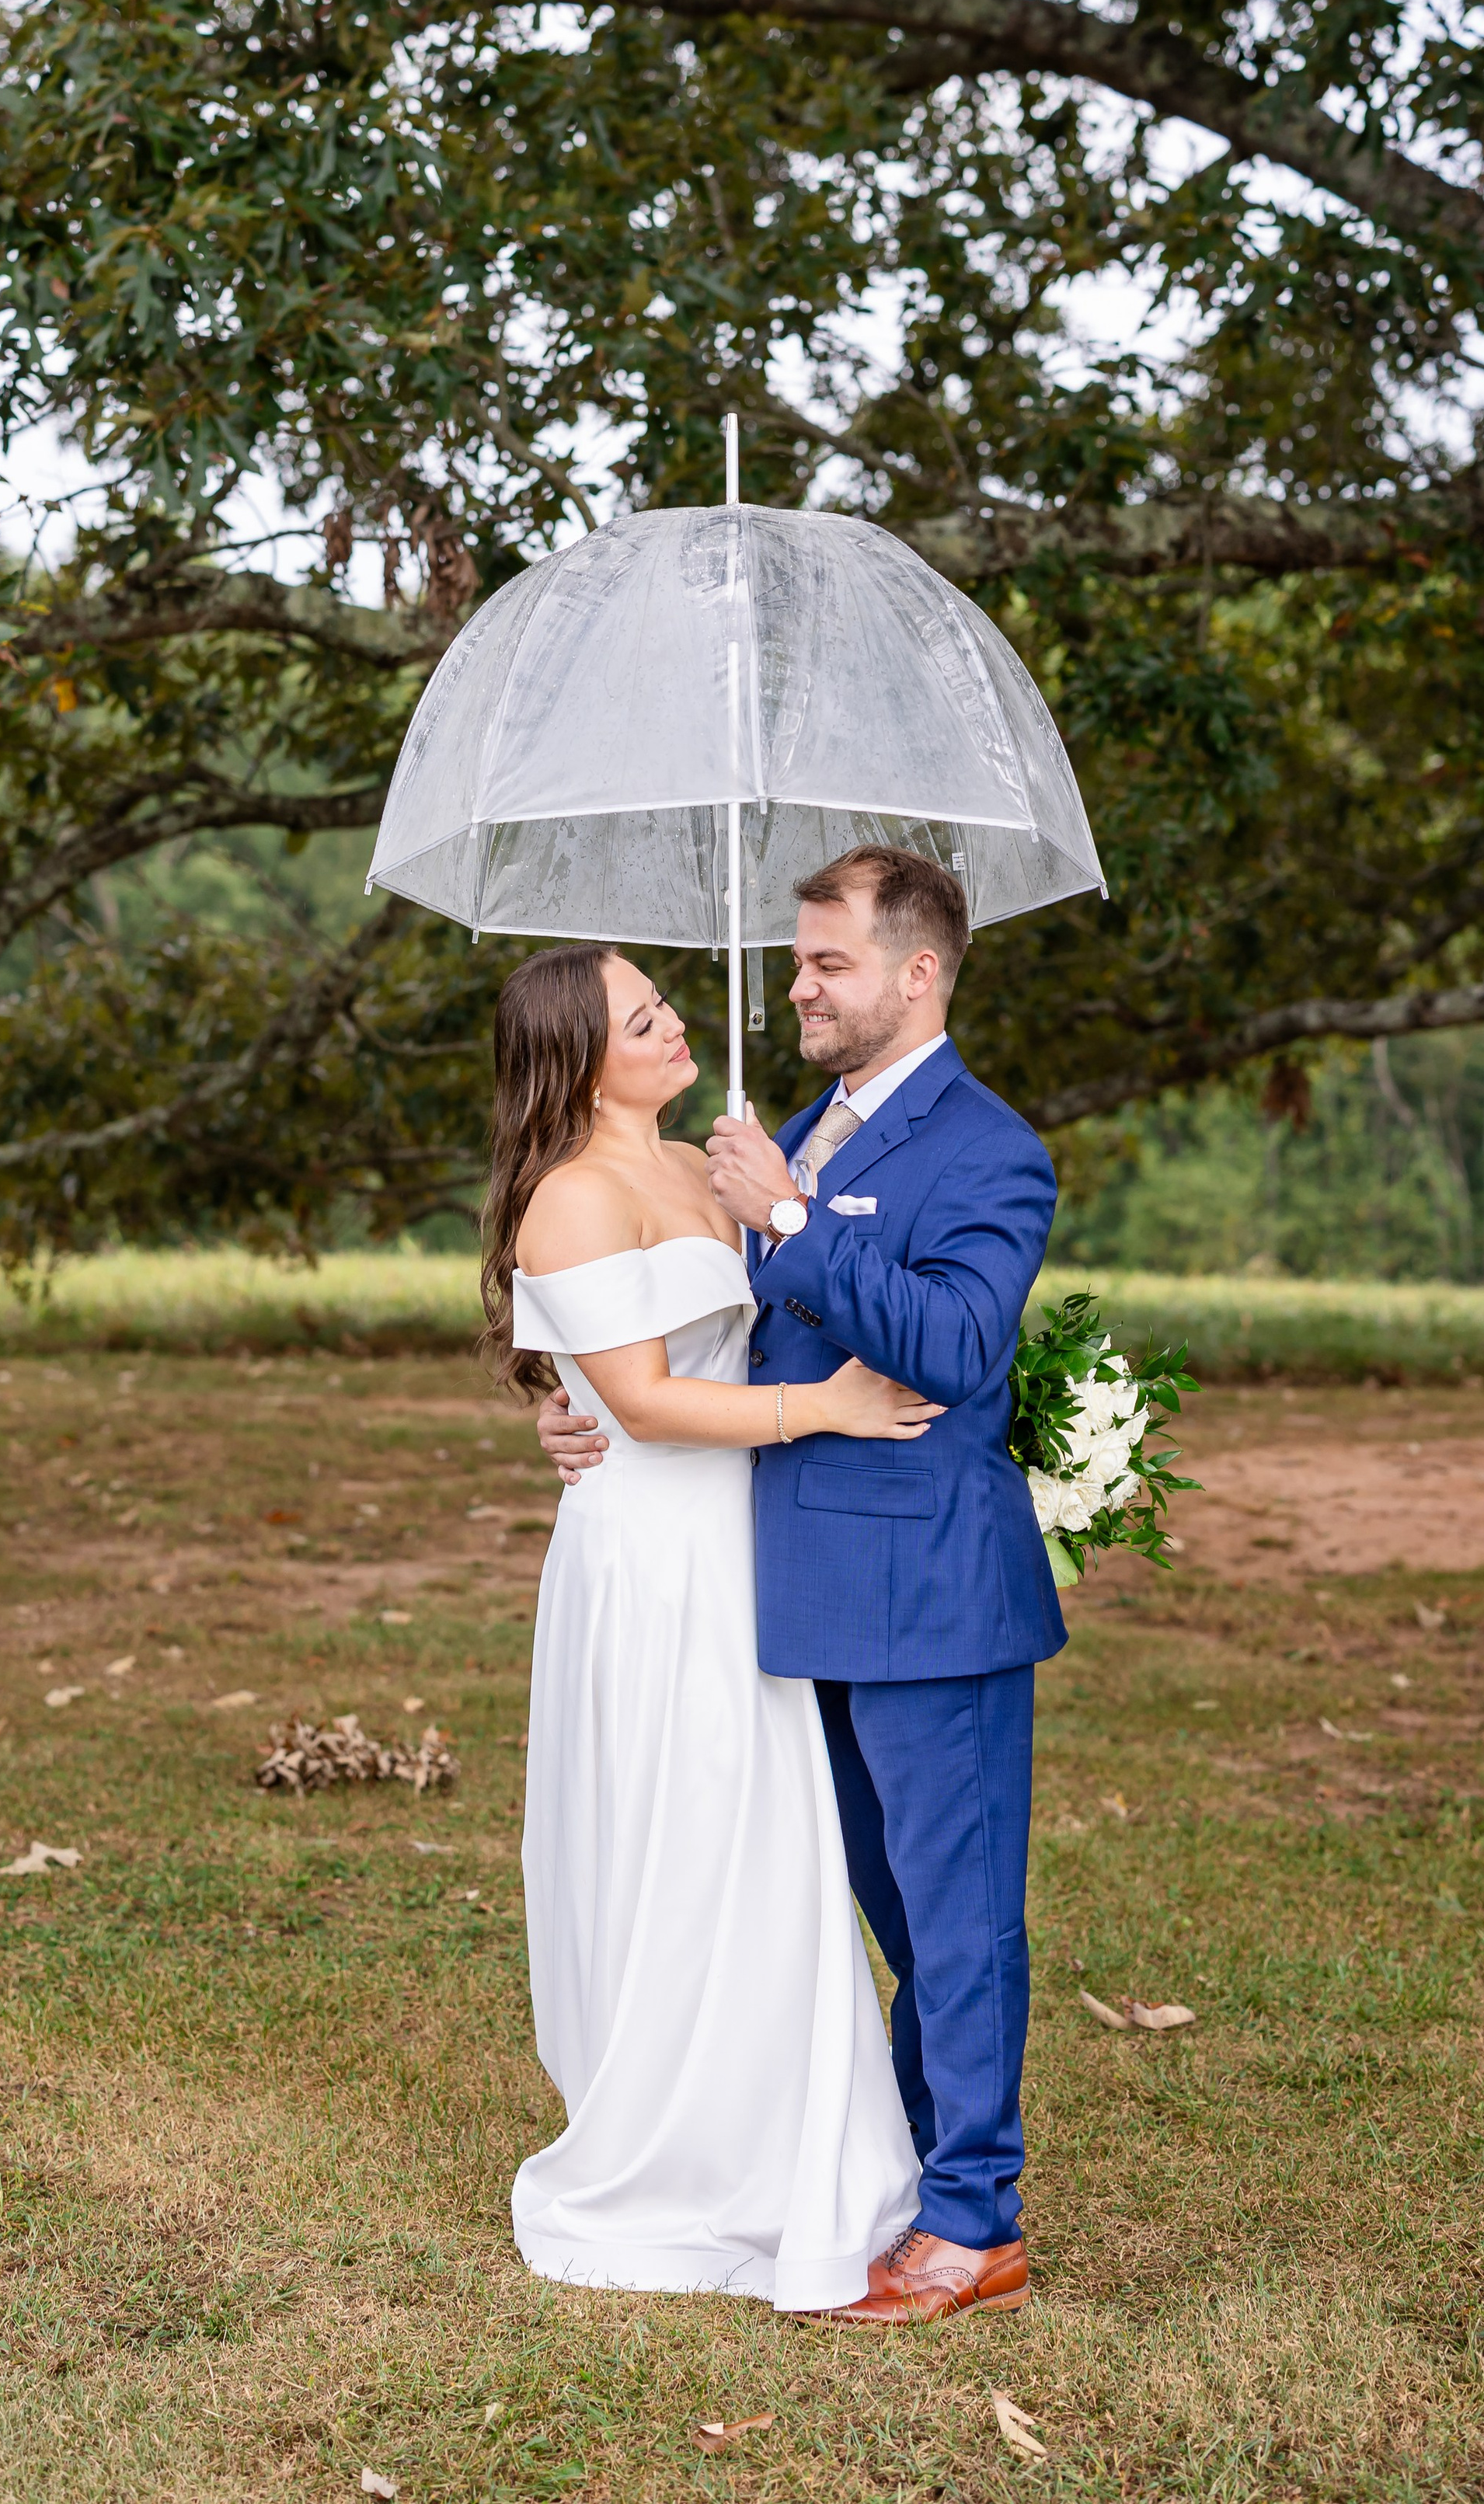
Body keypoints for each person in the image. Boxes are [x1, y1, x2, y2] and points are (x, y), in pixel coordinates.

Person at [537, 845, 1064, 2328]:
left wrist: (786, 1221)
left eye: (827, 961)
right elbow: (698, 1336)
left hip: (930, 1596)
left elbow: (957, 1344)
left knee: (959, 1920)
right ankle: (899, 2177)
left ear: (918, 973)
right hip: (786, 1591)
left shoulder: (987, 1149)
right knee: (881, 1917)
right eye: (796, 955)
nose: (798, 983)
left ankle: (976, 2222)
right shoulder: (807, 1126)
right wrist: (573, 1394)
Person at [487, 939, 936, 2311]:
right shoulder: (569, 1196)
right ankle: (675, 2150)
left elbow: (751, 1328)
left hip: (742, 1543)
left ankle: (786, 2130)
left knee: (768, 1836)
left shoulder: (702, 1164)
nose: (676, 1024)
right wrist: (830, 1409)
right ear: (578, 1056)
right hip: (652, 1558)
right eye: (643, 1018)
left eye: (668, 1002)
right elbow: (650, 1401)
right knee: (685, 1829)